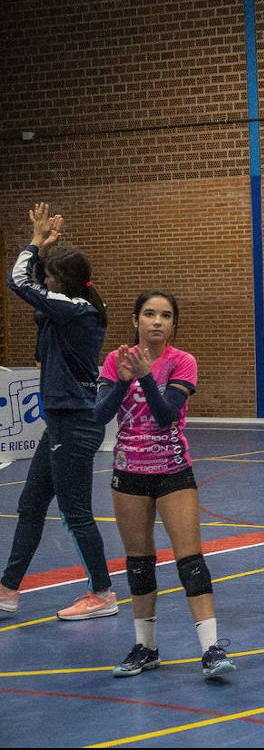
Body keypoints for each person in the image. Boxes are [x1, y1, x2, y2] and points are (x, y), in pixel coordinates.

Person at [96, 290, 236, 679]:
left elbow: (166, 416)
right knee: (139, 564)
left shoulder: (182, 362)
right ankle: (146, 646)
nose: (157, 321)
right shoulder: (114, 360)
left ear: (174, 324)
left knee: (190, 561)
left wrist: (145, 378)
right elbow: (99, 415)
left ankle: (210, 648)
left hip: (172, 471)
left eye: (166, 316)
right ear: (136, 319)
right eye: (149, 314)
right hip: (129, 474)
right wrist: (123, 381)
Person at [0, 204, 114, 622]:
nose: (42, 282)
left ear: (62, 283)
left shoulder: (77, 312)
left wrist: (33, 242)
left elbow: (18, 281)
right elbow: (32, 285)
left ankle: (102, 592)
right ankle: (8, 589)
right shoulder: (66, 308)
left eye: (49, 276)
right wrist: (47, 249)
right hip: (59, 422)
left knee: (75, 512)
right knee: (31, 506)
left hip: (76, 423)